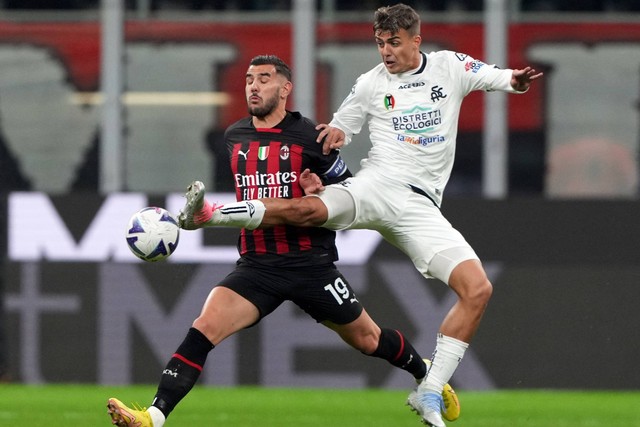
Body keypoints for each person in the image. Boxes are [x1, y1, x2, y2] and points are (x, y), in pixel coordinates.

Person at [178, 5, 543, 427]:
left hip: (420, 207)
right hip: (375, 185)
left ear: (415, 41)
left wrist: (514, 82)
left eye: (394, 43)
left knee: (477, 288)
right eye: (380, 43)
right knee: (307, 209)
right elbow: (339, 130)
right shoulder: (371, 83)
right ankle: (208, 213)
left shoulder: (449, 67)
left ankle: (429, 391)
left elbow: (498, 77)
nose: (386, 52)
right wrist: (333, 137)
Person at [107, 55, 459, 427]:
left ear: (285, 88)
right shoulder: (234, 137)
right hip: (257, 268)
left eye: (263, 79)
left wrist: (322, 191)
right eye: (248, 80)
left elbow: (354, 194)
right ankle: (154, 417)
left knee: (369, 340)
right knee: (204, 328)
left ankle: (426, 374)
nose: (253, 87)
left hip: (311, 266)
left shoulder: (312, 138)